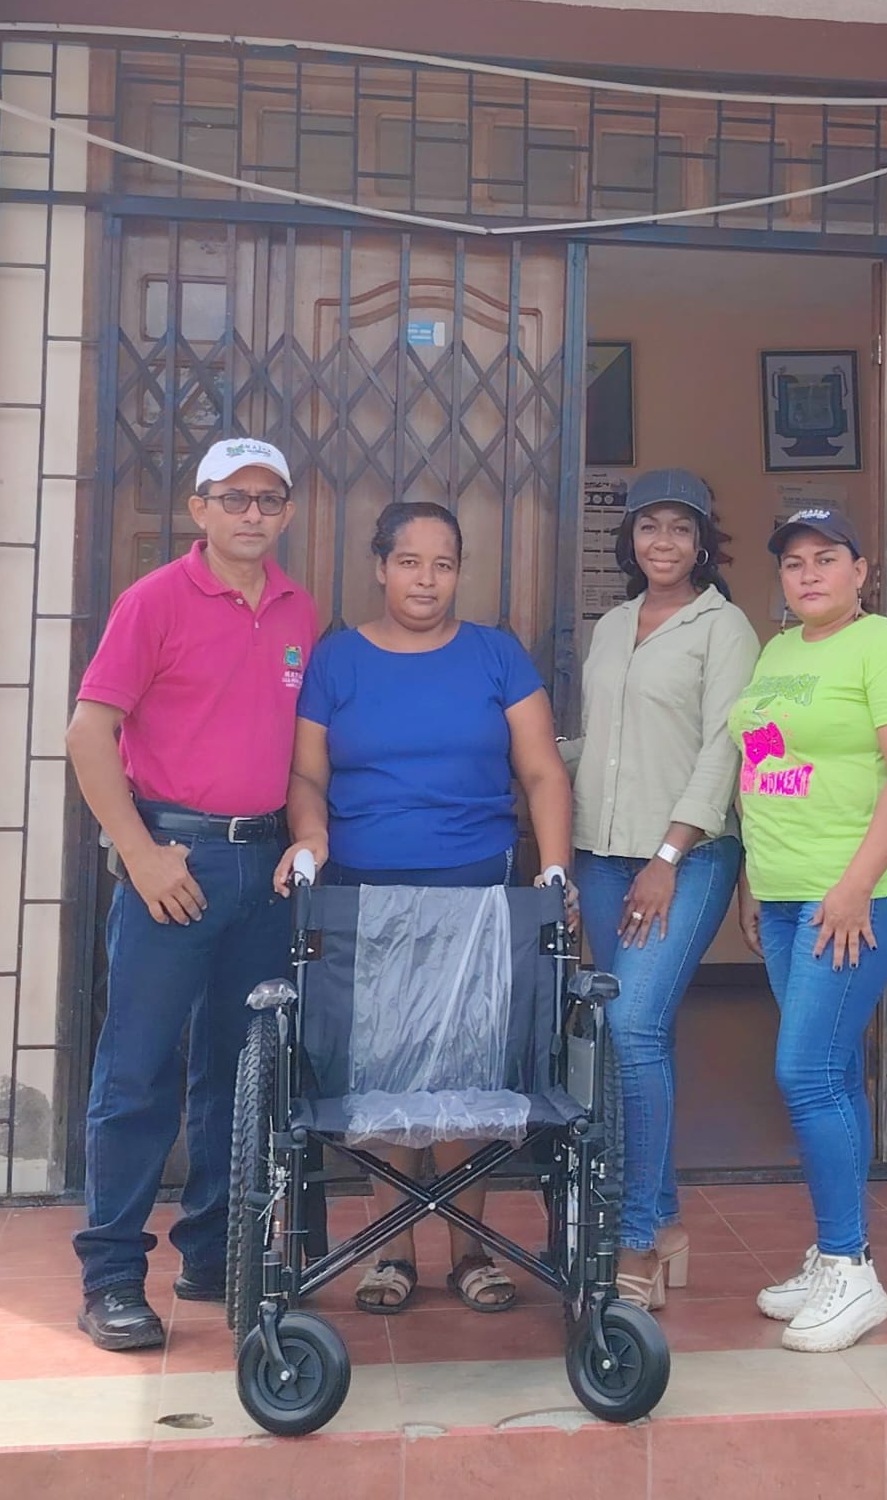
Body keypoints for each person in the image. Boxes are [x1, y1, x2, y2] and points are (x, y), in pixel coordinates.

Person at [275, 500, 573, 1315]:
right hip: (361, 897)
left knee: (466, 1064)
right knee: (381, 1066)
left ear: (458, 572)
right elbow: (306, 775)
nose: (426, 580)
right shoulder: (337, 660)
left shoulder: (495, 655)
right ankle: (391, 1251)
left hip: (474, 892)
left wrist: (554, 871)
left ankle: (470, 1249)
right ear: (380, 567)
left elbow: (542, 771)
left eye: (443, 565)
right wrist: (309, 837)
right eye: (409, 562)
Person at [66, 437, 316, 1350]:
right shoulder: (154, 600)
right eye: (233, 497)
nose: (252, 513)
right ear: (199, 508)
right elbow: (88, 732)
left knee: (237, 1071)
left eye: (268, 499)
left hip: (264, 866)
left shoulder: (298, 610)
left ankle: (214, 1254)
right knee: (138, 1072)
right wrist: (139, 854)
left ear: (286, 513)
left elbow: (300, 750)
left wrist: (304, 839)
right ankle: (111, 1278)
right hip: (174, 863)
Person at [731, 507, 887, 1353]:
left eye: (825, 558)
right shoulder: (777, 653)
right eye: (793, 563)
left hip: (858, 898)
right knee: (834, 1070)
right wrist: (753, 880)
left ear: (861, 571)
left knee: (805, 1071)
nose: (808, 573)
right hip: (786, 896)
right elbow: (760, 766)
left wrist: (853, 888)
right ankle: (833, 1253)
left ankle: (851, 1270)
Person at [565, 469, 759, 1310]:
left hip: (686, 858)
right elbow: (601, 745)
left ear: (704, 542)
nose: (664, 543)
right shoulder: (611, 626)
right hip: (600, 856)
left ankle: (634, 1235)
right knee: (634, 1035)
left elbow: (724, 749)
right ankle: (666, 1217)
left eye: (681, 528)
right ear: (630, 538)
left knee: (631, 1026)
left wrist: (668, 856)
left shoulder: (725, 629)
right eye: (649, 527)